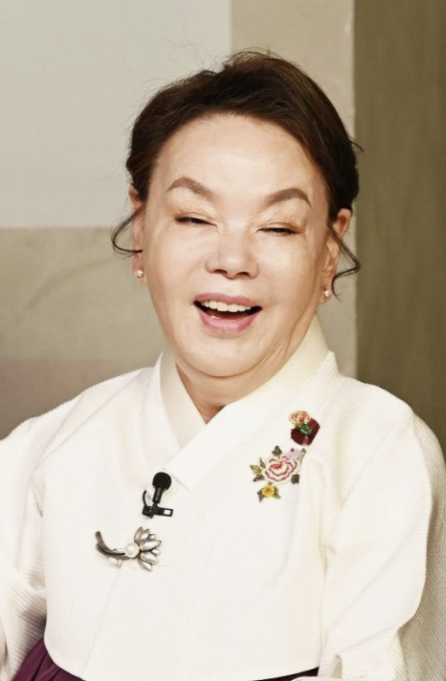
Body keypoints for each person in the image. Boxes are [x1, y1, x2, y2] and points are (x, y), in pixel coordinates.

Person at [0, 50, 445, 681]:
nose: (232, 260)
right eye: (193, 217)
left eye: (278, 227)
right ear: (141, 227)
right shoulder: (54, 443)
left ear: (330, 247)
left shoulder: (378, 452)